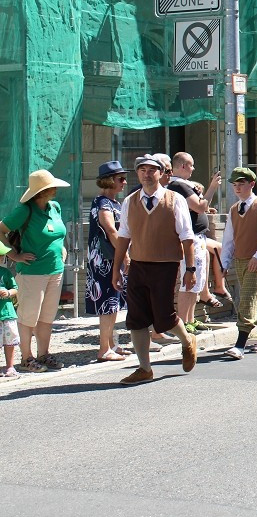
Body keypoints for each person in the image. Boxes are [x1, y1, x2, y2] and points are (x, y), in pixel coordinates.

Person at [110, 155, 198, 384]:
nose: (146, 174)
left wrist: (190, 269)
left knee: (164, 316)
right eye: (142, 170)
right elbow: (123, 237)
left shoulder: (174, 199)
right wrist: (116, 269)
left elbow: (188, 237)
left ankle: (187, 341)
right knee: (136, 317)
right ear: (137, 173)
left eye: (152, 170)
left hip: (166, 265)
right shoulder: (130, 201)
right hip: (138, 264)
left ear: (161, 173)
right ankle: (144, 368)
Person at [0, 169, 70, 372]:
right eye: (51, 187)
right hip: (32, 272)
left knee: (47, 316)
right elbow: (1, 230)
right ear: (42, 191)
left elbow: (58, 234)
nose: (55, 189)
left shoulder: (54, 207)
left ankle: (43, 354)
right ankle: (27, 358)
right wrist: (14, 255)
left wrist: (62, 249)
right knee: (28, 316)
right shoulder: (25, 210)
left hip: (55, 270)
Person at [220, 168, 257, 359]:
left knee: (247, 300)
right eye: (235, 184)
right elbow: (228, 239)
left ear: (252, 184)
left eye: (241, 183)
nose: (237, 188)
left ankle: (240, 344)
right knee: (254, 300)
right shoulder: (234, 210)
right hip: (240, 260)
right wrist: (224, 262)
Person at [167, 152, 219, 330]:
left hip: (197, 237)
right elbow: (199, 206)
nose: (193, 169)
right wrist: (212, 187)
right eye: (191, 165)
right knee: (188, 281)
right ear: (182, 166)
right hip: (190, 238)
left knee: (195, 282)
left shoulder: (183, 185)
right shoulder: (178, 185)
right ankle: (183, 321)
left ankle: (189, 319)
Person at [86, 161, 131, 362]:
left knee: (113, 303)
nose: (124, 182)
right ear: (109, 180)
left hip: (112, 258)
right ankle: (104, 349)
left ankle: (111, 344)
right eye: (120, 178)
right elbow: (111, 230)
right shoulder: (103, 202)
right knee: (107, 304)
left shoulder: (114, 203)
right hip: (105, 259)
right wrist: (126, 256)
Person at [0, 243, 18, 378]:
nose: (1, 258)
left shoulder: (5, 273)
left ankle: (10, 366)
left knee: (10, 341)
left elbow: (15, 288)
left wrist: (8, 292)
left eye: (2, 256)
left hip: (7, 313)